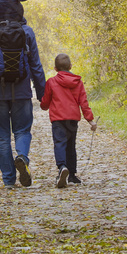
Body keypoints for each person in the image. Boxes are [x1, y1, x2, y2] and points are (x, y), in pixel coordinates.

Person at [0, 20, 46, 187]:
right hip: (21, 91)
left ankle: (8, 180)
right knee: (22, 130)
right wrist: (42, 93)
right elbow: (35, 65)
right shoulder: (26, 31)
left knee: (2, 136)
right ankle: (22, 157)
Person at [39, 53, 97, 188]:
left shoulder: (51, 82)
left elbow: (45, 102)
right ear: (70, 66)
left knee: (59, 143)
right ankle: (72, 175)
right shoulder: (78, 82)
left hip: (58, 119)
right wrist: (90, 120)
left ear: (55, 68)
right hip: (72, 119)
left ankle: (62, 167)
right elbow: (84, 103)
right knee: (71, 145)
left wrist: (43, 105)